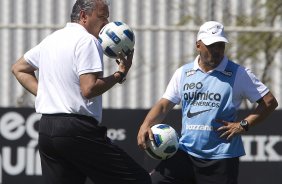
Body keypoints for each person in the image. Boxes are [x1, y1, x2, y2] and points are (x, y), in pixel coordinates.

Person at [11, 0, 151, 184]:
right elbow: (89, 89)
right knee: (138, 180)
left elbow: (18, 68)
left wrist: (48, 94)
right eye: (102, 17)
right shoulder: (89, 40)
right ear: (84, 16)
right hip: (76, 130)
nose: (106, 23)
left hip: (47, 129)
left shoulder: (52, 38)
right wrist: (120, 73)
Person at [137, 21, 278, 184]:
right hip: (185, 153)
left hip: (221, 160)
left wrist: (244, 124)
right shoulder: (183, 73)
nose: (217, 51)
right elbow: (164, 105)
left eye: (220, 45)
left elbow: (269, 102)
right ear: (198, 45)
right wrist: (146, 124)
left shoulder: (239, 73)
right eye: (211, 46)